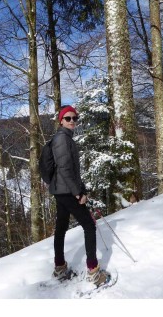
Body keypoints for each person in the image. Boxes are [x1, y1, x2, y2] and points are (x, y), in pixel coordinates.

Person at [48, 105, 109, 286]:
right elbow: (65, 169)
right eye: (68, 118)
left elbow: (70, 170)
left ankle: (60, 267)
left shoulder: (65, 138)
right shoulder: (62, 139)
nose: (72, 121)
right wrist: (78, 193)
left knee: (61, 227)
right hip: (67, 191)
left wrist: (80, 187)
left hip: (62, 190)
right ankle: (93, 271)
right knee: (89, 225)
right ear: (61, 120)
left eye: (75, 118)